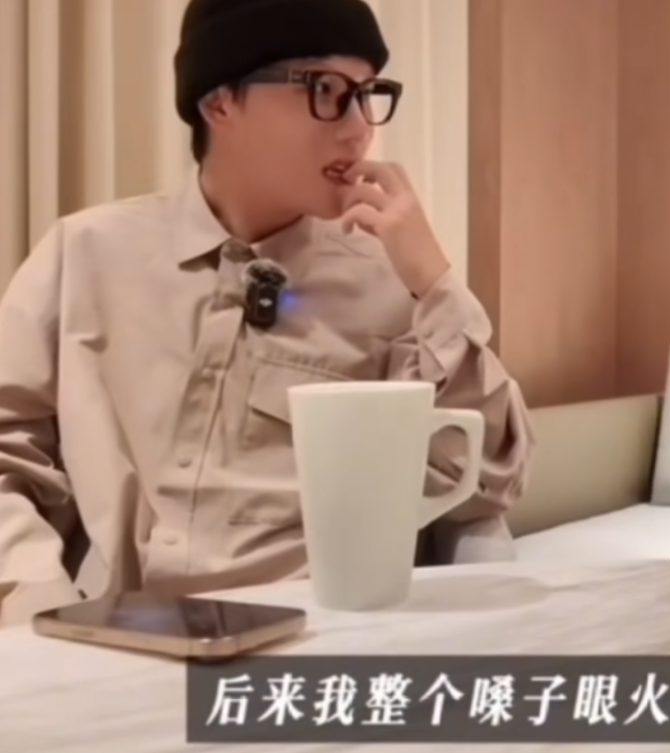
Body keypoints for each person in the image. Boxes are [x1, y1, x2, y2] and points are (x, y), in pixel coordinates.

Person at [0, 0, 534, 627]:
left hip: (315, 644)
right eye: (326, 91)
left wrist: (435, 283)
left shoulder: (389, 284)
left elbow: (485, 485)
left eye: (368, 95)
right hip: (106, 640)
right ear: (219, 102)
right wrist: (36, 609)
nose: (358, 129)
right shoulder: (87, 254)